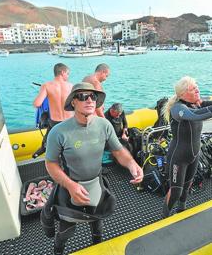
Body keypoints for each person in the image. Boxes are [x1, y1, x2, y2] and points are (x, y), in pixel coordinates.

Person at [40, 82, 143, 255]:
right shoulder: (59, 132)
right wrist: (71, 186)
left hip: (96, 183)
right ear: (73, 102)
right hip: (70, 187)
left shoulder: (104, 125)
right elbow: (50, 163)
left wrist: (132, 164)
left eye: (92, 96)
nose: (89, 100)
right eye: (82, 96)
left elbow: (118, 150)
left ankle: (98, 248)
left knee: (97, 225)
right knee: (66, 233)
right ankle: (58, 250)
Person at [162, 76, 212, 218]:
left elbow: (206, 107)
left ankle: (181, 211)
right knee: (176, 190)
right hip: (179, 156)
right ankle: (165, 217)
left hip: (194, 155)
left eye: (197, 86)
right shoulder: (178, 108)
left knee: (187, 187)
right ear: (183, 94)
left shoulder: (196, 103)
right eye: (193, 88)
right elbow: (195, 115)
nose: (197, 90)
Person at [33, 63, 73, 157]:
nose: (68, 76)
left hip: (55, 122)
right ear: (62, 72)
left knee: (50, 135)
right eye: (67, 74)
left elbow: (37, 104)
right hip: (70, 122)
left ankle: (44, 147)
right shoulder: (71, 86)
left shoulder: (46, 86)